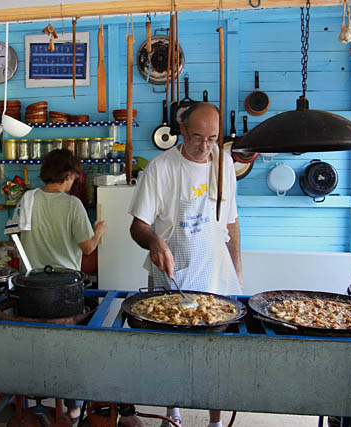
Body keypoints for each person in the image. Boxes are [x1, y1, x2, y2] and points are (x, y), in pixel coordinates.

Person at [128, 102, 243, 427]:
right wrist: (154, 241)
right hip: (172, 276)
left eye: (212, 139)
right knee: (172, 354)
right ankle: (172, 411)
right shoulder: (162, 168)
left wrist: (237, 270)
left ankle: (215, 422)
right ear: (182, 131)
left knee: (216, 357)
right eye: (197, 138)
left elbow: (232, 223)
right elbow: (138, 225)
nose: (205, 147)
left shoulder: (225, 165)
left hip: (216, 275)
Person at [6, 148, 106, 422]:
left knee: (34, 345)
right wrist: (98, 231)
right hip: (65, 289)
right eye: (74, 176)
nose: (74, 181)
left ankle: (30, 397)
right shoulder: (72, 204)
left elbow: (13, 237)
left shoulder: (28, 199)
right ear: (68, 175)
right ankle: (73, 405)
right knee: (68, 348)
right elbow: (87, 248)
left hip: (32, 287)